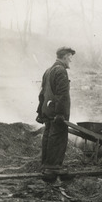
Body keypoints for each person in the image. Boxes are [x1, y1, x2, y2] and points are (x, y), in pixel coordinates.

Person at [37, 47, 75, 181]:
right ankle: (53, 167)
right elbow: (62, 95)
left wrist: (40, 111)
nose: (71, 59)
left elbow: (42, 93)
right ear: (65, 57)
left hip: (47, 111)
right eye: (70, 56)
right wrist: (60, 113)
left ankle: (46, 165)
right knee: (58, 137)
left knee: (48, 136)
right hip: (56, 112)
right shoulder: (61, 71)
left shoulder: (48, 71)